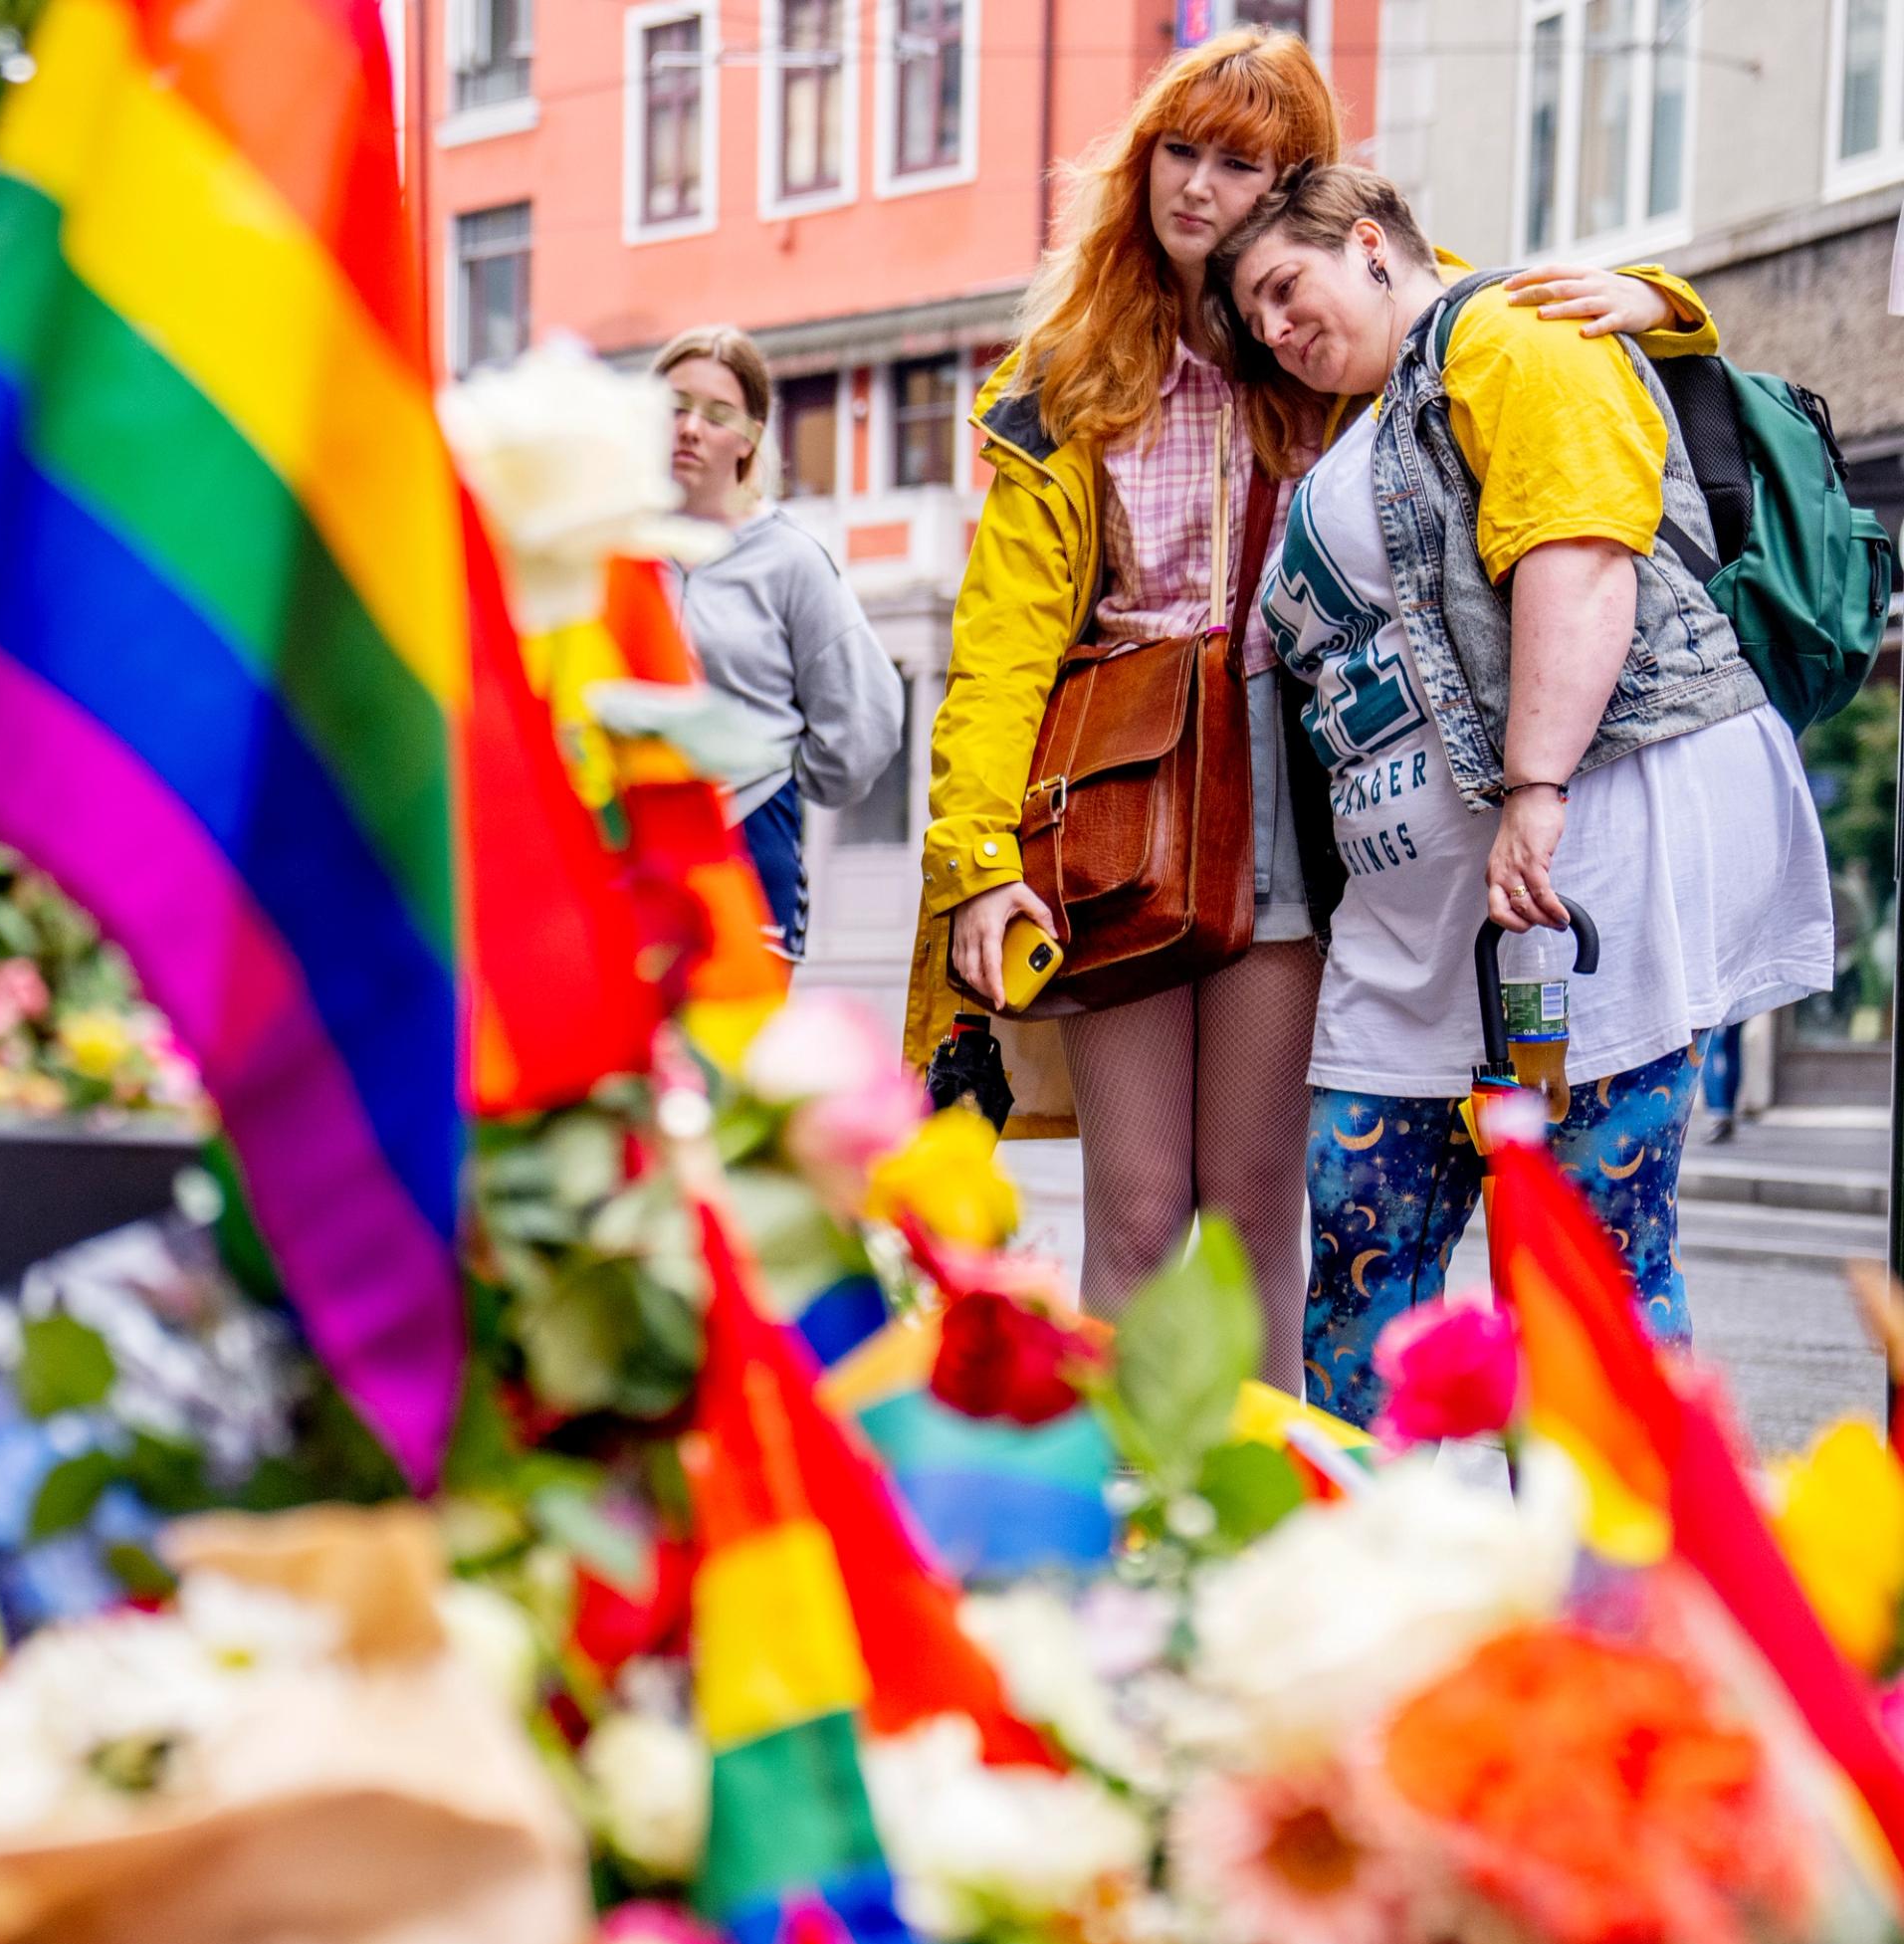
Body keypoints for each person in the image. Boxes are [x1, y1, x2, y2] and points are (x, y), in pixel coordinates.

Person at [907, 28, 1708, 1386]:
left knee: (1260, 1203)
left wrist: (1655, 298)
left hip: (1309, 792)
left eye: (1241, 164)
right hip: (1117, 799)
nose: (1198, 189)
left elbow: (1482, 319)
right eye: (1181, 150)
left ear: (1296, 192)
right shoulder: (1063, 375)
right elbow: (999, 648)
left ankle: (1276, 1531)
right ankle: (1141, 1529)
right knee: (1140, 1205)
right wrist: (978, 862)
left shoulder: (1322, 330)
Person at [1215, 165, 1831, 1418]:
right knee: (1357, 1273)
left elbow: (1582, 552)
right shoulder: (1374, 419)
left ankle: (1602, 1597)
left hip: (1577, 866)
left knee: (1586, 1275)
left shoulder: (1507, 334)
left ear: (1373, 245)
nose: (1276, 331)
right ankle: (1364, 1594)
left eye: (1287, 287)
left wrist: (1537, 786)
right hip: (1414, 933)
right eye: (1256, 319)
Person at [653, 325, 903, 961]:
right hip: (629, 845)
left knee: (736, 1058)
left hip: (748, 845)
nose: (689, 428)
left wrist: (773, 776)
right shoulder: (613, 547)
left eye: (716, 415)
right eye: (675, 405)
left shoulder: (790, 559)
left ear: (751, 437)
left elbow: (865, 722)